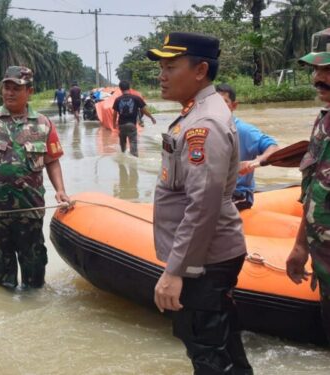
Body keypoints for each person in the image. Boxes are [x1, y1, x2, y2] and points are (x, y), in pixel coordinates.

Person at [147, 32, 253, 374]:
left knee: (207, 354)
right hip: (208, 255)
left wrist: (176, 270)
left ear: (200, 70)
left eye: (171, 66)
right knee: (224, 349)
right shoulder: (198, 112)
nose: (161, 75)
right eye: (161, 67)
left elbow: (202, 206)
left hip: (204, 261)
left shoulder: (203, 124)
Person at [0, 66, 70, 290]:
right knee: (2, 279)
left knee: (35, 279)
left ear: (29, 91)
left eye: (16, 88)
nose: (9, 93)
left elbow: (52, 160)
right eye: (6, 87)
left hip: (30, 212)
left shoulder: (43, 123)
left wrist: (60, 190)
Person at [286, 28, 330, 343]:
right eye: (316, 68)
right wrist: (301, 245)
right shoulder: (323, 122)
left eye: (328, 68)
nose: (318, 77)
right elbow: (313, 185)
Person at [215, 83, 279, 210]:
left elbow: (274, 148)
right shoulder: (205, 130)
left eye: (224, 102)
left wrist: (255, 162)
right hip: (215, 192)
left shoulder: (244, 130)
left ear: (234, 106)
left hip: (239, 194)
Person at [112, 80, 157, 157]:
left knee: (122, 146)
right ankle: (134, 164)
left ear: (120, 89)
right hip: (132, 125)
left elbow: (114, 114)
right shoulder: (136, 98)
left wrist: (113, 125)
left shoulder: (117, 100)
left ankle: (123, 161)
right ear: (129, 88)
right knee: (133, 146)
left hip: (121, 126)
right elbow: (144, 110)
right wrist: (151, 117)